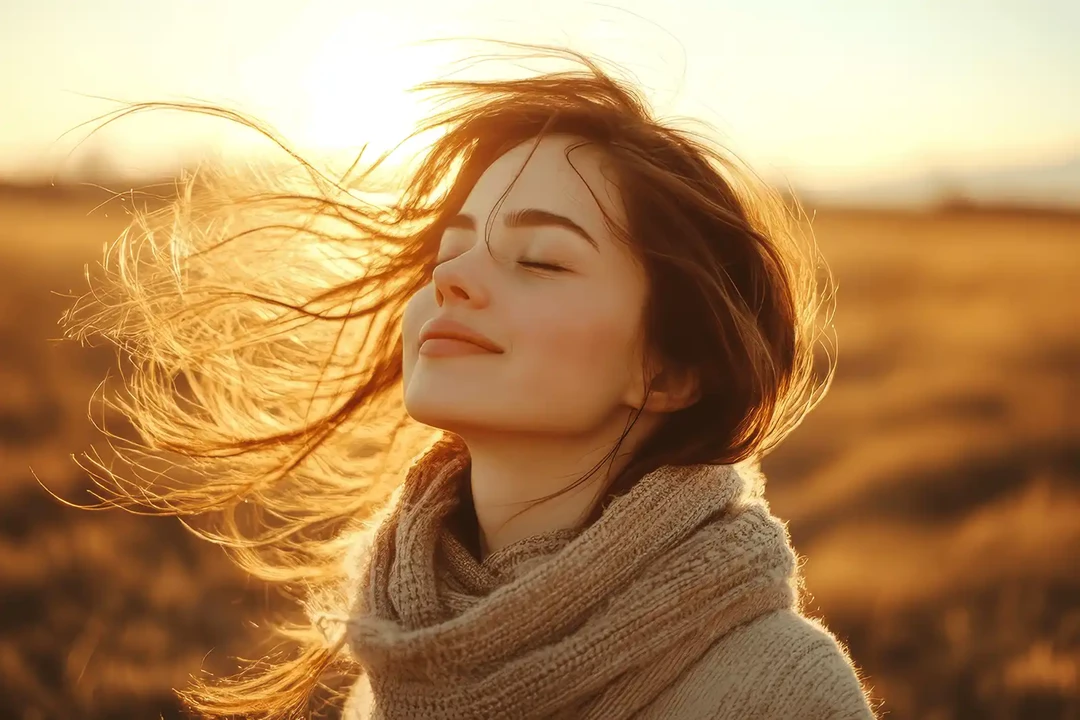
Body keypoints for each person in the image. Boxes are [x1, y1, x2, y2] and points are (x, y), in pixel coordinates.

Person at [63, 42, 879, 719]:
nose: (453, 281)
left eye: (540, 259)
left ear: (664, 371)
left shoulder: (780, 692)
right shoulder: (399, 653)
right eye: (452, 249)